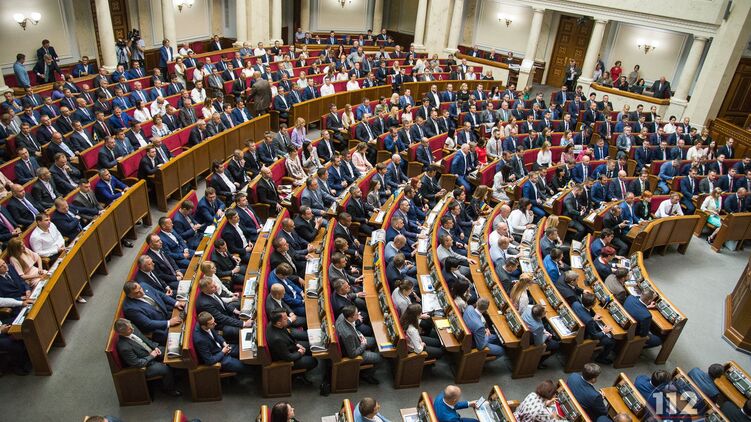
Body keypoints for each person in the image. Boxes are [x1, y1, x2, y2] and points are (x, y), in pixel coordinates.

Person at [113, 318, 180, 397]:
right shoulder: (124, 347)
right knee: (165, 369)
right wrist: (151, 356)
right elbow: (137, 363)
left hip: (152, 351)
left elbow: (144, 339)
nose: (132, 329)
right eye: (129, 329)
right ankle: (169, 389)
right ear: (121, 333)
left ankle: (176, 373)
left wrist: (155, 347)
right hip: (145, 365)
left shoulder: (131, 327)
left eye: (130, 326)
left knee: (171, 351)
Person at [335, 305, 381, 384]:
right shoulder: (348, 335)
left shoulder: (342, 315)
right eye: (357, 314)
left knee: (375, 341)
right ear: (351, 317)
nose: (359, 315)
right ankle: (366, 375)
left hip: (357, 339)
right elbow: (352, 354)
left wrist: (360, 334)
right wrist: (363, 345)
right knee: (379, 358)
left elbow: (353, 328)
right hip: (354, 352)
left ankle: (368, 363)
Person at [266, 309, 317, 379]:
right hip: (285, 360)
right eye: (285, 319)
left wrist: (296, 344)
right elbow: (288, 357)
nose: (288, 319)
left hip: (290, 346)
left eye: (287, 316)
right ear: (279, 323)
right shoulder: (277, 340)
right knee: (313, 361)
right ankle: (299, 376)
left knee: (312, 346)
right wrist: (300, 353)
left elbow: (287, 334)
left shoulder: (274, 323)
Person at [573, 293, 615, 363]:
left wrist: (593, 318)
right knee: (611, 341)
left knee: (598, 326)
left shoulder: (575, 304)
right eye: (595, 302)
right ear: (592, 305)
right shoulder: (589, 321)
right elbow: (595, 336)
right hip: (584, 335)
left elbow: (582, 315)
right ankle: (600, 358)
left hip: (578, 328)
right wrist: (604, 331)